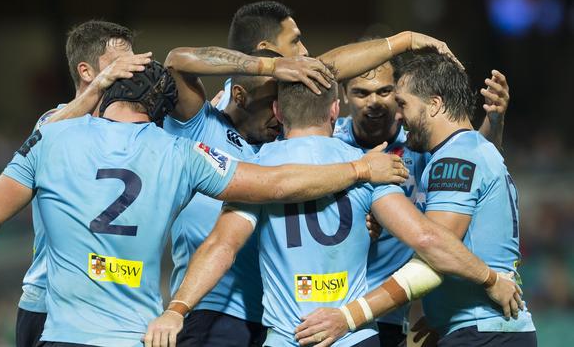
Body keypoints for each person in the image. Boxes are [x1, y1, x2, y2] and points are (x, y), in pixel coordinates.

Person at [0, 63, 408, 346]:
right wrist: (359, 170)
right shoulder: (181, 153)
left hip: (64, 333)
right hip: (139, 335)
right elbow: (275, 184)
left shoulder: (51, 137)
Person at [145, 73, 521, 347]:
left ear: (277, 110)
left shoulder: (259, 173)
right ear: (335, 110)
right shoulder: (370, 167)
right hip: (353, 334)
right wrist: (491, 278)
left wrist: (177, 308)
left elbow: (220, 247)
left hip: (287, 337)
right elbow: (427, 238)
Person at [333, 49, 510, 345]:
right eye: (361, 92)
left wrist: (495, 122)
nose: (375, 101)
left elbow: (469, 176)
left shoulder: (424, 144)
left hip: (387, 308)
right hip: (331, 299)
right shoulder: (328, 143)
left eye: (388, 93)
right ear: (343, 95)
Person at [163, 45, 337, 346]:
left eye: (280, 104)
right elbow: (175, 62)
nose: (278, 114)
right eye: (271, 102)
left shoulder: (278, 149)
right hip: (210, 309)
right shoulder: (200, 125)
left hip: (274, 319)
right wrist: (271, 67)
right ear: (241, 96)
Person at [4, 19, 153, 347]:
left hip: (120, 308)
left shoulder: (141, 132)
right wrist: (102, 86)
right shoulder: (54, 123)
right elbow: (43, 137)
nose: (131, 71)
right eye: (120, 63)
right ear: (87, 71)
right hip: (47, 303)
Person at [389, 48, 536, 346]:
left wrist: (352, 315)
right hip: (491, 329)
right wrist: (444, 314)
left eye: (403, 103)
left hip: (482, 332)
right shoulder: (475, 149)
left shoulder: (453, 160)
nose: (397, 114)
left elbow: (436, 247)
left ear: (434, 105)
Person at [215, 0, 461, 110]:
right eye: (295, 41)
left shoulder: (287, 92)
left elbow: (330, 65)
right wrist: (270, 67)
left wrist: (405, 40)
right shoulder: (213, 110)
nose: (304, 51)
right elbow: (177, 59)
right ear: (264, 48)